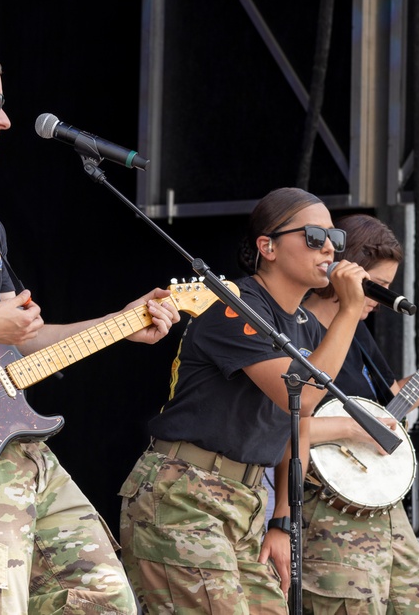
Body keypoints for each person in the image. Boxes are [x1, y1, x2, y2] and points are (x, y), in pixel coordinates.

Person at [0, 36, 182, 614]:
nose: (6, 119)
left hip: (17, 447)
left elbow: (19, 339)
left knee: (103, 599)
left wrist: (120, 323)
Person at [119, 187, 371, 614]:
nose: (329, 247)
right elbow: (304, 397)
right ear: (267, 246)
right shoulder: (232, 305)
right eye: (314, 236)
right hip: (185, 494)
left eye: (335, 239)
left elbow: (298, 428)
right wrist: (349, 311)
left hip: (248, 502)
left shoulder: (307, 327)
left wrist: (282, 521)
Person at [274, 213, 419, 614]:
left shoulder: (357, 332)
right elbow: (279, 425)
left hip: (384, 510)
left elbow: (391, 401)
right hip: (325, 509)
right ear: (349, 271)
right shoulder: (293, 330)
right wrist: (352, 427)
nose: (379, 300)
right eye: (378, 287)